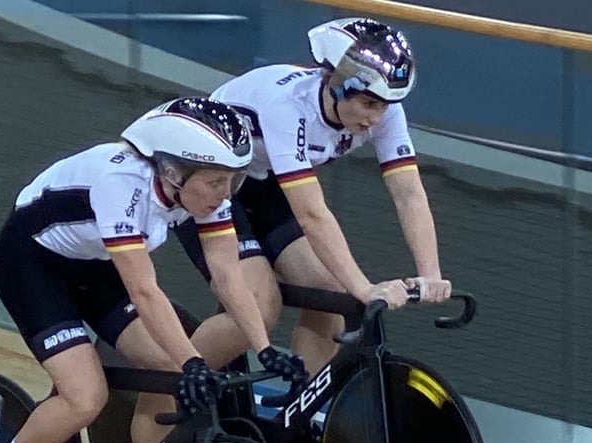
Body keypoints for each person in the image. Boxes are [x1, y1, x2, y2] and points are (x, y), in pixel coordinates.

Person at [0, 97, 307, 443]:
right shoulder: (120, 185)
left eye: (232, 180)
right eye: (217, 181)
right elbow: (144, 291)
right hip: (34, 266)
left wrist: (264, 348)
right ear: (173, 172)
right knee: (85, 398)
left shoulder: (201, 191)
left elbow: (228, 274)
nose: (226, 193)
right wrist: (194, 361)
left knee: (168, 371)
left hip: (97, 266)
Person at [176, 17, 454, 376]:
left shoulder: (385, 110)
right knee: (259, 306)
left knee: (332, 297)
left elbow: (408, 192)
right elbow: (312, 214)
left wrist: (430, 274)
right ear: (337, 84)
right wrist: (364, 288)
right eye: (368, 103)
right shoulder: (289, 106)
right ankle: (169, 391)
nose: (376, 117)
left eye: (385, 105)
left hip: (265, 182)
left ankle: (302, 402)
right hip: (209, 187)